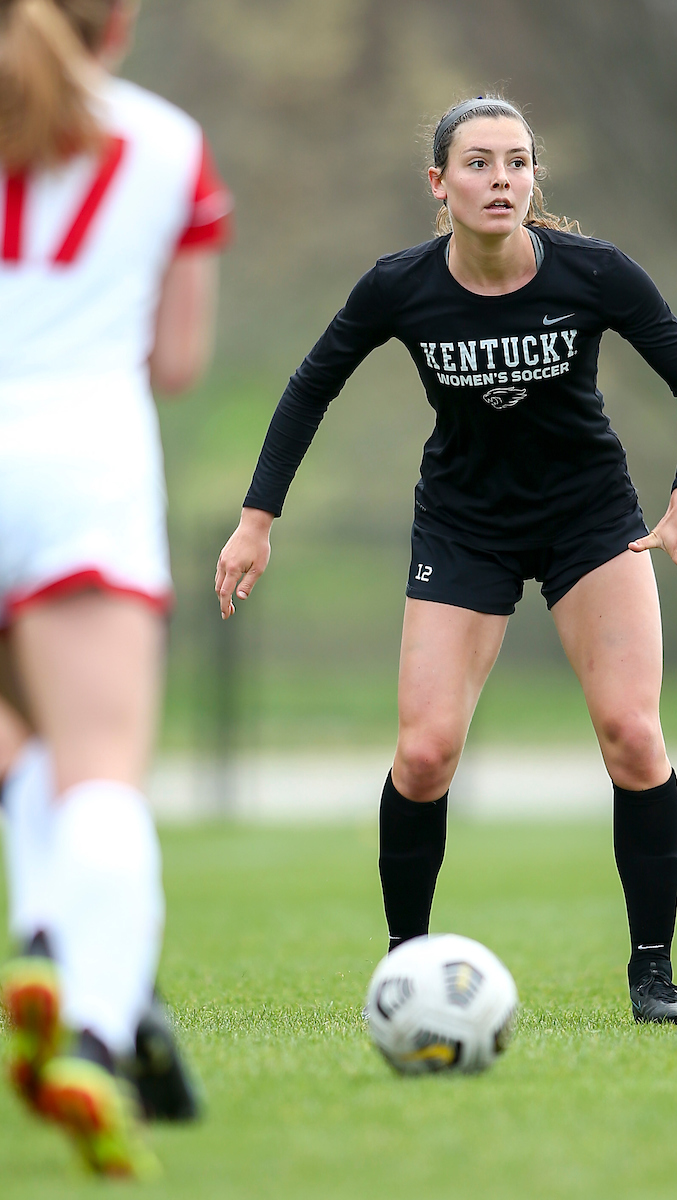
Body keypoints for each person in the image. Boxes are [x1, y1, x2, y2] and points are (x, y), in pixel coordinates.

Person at [215, 96, 677, 1026]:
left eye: (518, 162)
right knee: (424, 755)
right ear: (439, 182)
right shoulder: (399, 286)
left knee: (632, 735)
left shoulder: (595, 272)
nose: (502, 181)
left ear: (535, 178)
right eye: (480, 163)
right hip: (464, 527)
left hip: (588, 522)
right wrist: (257, 519)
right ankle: (403, 971)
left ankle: (654, 974)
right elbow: (309, 388)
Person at [0, 0, 231, 1177]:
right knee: (99, 769)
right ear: (119, 23)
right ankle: (92, 1025)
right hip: (85, 464)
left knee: (23, 748)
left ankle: (44, 924)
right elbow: (176, 361)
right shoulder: (165, 141)